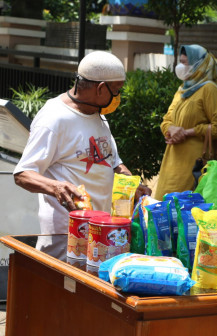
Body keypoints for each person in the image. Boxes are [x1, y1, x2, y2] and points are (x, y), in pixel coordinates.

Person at [13, 51, 151, 235]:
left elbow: (113, 163)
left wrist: (132, 186)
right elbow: (23, 174)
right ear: (101, 88)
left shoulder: (97, 114)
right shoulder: (54, 118)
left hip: (101, 230)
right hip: (65, 234)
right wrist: (56, 187)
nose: (118, 97)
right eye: (116, 90)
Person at [154, 44, 217, 200]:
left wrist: (187, 132)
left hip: (194, 162)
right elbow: (167, 118)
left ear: (199, 65)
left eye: (186, 63)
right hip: (172, 159)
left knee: (182, 208)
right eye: (180, 62)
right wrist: (171, 129)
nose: (181, 66)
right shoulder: (182, 89)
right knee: (162, 205)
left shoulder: (209, 89)